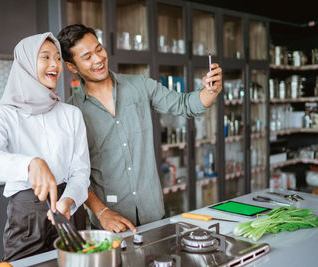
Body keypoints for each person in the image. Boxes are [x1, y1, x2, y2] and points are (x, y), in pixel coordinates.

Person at [57, 24, 222, 233]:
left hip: (154, 214)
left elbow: (185, 104)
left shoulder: (139, 85)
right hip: (109, 225)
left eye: (99, 49)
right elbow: (75, 174)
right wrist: (101, 212)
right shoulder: (72, 111)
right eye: (87, 57)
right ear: (72, 67)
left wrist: (211, 90)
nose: (98, 59)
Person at [0, 32, 90, 261]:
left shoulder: (72, 114)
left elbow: (81, 172)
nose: (55, 64)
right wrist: (30, 164)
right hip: (27, 217)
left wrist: (68, 200)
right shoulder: (3, 115)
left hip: (70, 209)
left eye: (58, 58)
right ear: (27, 63)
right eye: (46, 57)